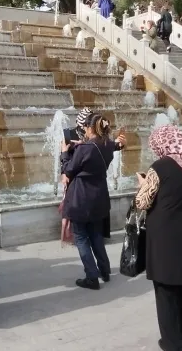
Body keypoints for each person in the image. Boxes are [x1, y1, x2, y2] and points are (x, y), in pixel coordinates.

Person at [134, 124, 182, 351]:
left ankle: (173, 342)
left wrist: (143, 184)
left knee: (167, 292)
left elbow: (142, 202)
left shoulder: (160, 167)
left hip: (166, 241)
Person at [61, 112, 113, 289]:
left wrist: (64, 154)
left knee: (81, 237)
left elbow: (69, 170)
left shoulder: (85, 149)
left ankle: (92, 276)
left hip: (81, 198)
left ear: (90, 127)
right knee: (96, 235)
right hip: (99, 196)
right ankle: (105, 271)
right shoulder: (107, 145)